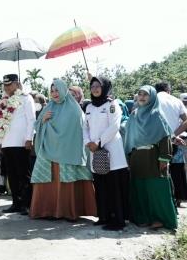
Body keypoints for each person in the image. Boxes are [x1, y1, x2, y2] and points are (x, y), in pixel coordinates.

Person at [30, 79, 97, 221]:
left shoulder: (74, 108)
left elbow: (77, 129)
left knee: (67, 180)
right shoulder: (48, 107)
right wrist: (43, 121)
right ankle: (47, 210)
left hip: (68, 151)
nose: (54, 94)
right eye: (52, 91)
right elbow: (36, 126)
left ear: (63, 90)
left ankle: (68, 211)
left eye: (57, 90)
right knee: (48, 180)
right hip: (48, 151)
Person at [124, 85, 177, 230]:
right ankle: (142, 217)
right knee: (140, 189)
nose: (141, 97)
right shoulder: (134, 116)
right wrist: (127, 158)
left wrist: (164, 159)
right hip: (137, 158)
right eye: (140, 94)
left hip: (153, 158)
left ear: (152, 97)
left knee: (157, 190)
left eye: (145, 94)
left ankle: (160, 219)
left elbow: (164, 138)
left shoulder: (157, 115)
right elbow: (128, 139)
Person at [83, 77, 129, 230]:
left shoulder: (112, 104)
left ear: (105, 87)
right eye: (92, 86)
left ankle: (117, 220)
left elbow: (114, 126)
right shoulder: (89, 107)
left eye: (98, 86)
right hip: (95, 151)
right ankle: (103, 216)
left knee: (113, 186)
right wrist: (88, 142)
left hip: (111, 150)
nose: (95, 89)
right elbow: (85, 127)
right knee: (100, 184)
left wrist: (99, 142)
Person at [0, 74, 35, 215]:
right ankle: (16, 203)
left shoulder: (25, 98)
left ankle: (27, 204)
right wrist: (0, 142)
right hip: (6, 143)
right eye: (4, 85)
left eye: (9, 84)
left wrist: (29, 138)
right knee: (12, 175)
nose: (6, 87)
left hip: (21, 142)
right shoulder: (2, 102)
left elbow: (31, 119)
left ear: (17, 84)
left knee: (23, 174)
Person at [155, 82, 187, 208]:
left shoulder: (152, 99)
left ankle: (164, 201)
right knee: (176, 169)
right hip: (175, 141)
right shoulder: (176, 101)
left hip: (157, 141)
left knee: (161, 170)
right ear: (168, 90)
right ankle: (177, 199)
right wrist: (173, 135)